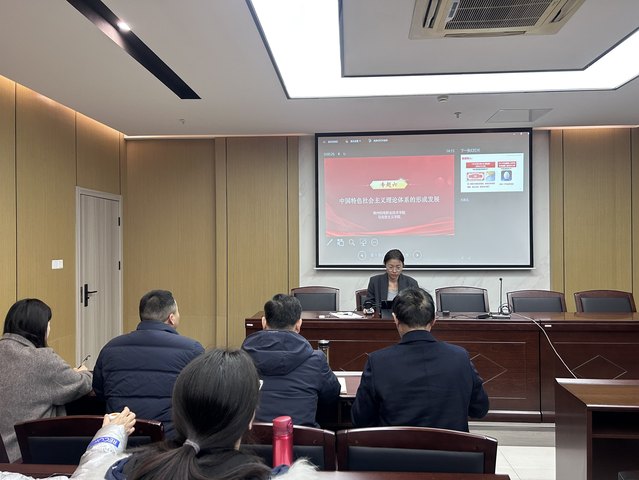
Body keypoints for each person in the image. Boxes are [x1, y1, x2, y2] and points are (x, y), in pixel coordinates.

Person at [71, 349, 317, 479]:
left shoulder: (123, 471)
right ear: (249, 418)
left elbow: (90, 470)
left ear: (178, 414)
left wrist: (111, 432)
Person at [351, 287, 489, 432]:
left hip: (396, 446)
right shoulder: (460, 357)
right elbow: (480, 409)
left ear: (395, 319)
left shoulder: (378, 361)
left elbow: (360, 420)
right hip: (452, 446)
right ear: (434, 320)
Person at [92, 290, 204, 436]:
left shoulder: (110, 348)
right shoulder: (192, 349)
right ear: (171, 318)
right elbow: (203, 396)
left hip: (123, 437)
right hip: (171, 440)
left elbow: (100, 391)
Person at [0, 298, 93, 462]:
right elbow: (82, 384)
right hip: (25, 455)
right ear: (40, 327)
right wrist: (84, 373)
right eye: (48, 324)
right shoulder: (41, 359)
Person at [241, 294, 341, 427]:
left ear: (264, 323)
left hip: (252, 438)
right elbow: (332, 395)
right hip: (303, 439)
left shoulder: (241, 360)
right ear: (299, 325)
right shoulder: (316, 360)